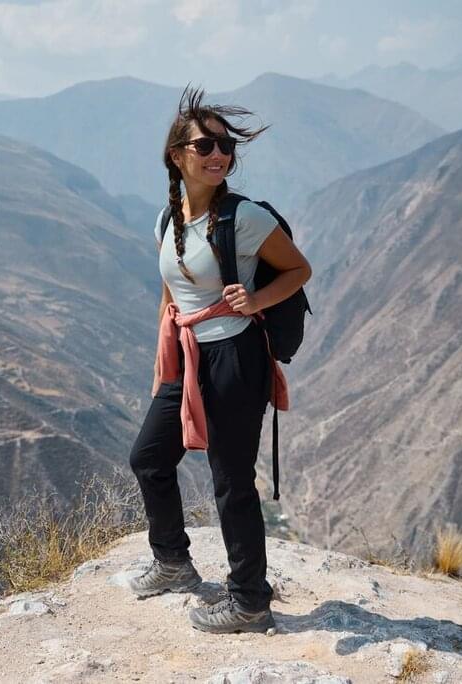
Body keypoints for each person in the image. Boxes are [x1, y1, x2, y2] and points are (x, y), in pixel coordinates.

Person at [127, 86, 312, 634]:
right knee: (148, 458)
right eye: (204, 145)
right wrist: (163, 361)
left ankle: (249, 601)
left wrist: (255, 300)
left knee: (231, 481)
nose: (218, 155)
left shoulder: (244, 218)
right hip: (188, 358)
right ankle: (172, 562)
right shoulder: (167, 220)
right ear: (176, 155)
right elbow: (171, 292)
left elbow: (298, 270)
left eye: (226, 146)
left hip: (235, 356)